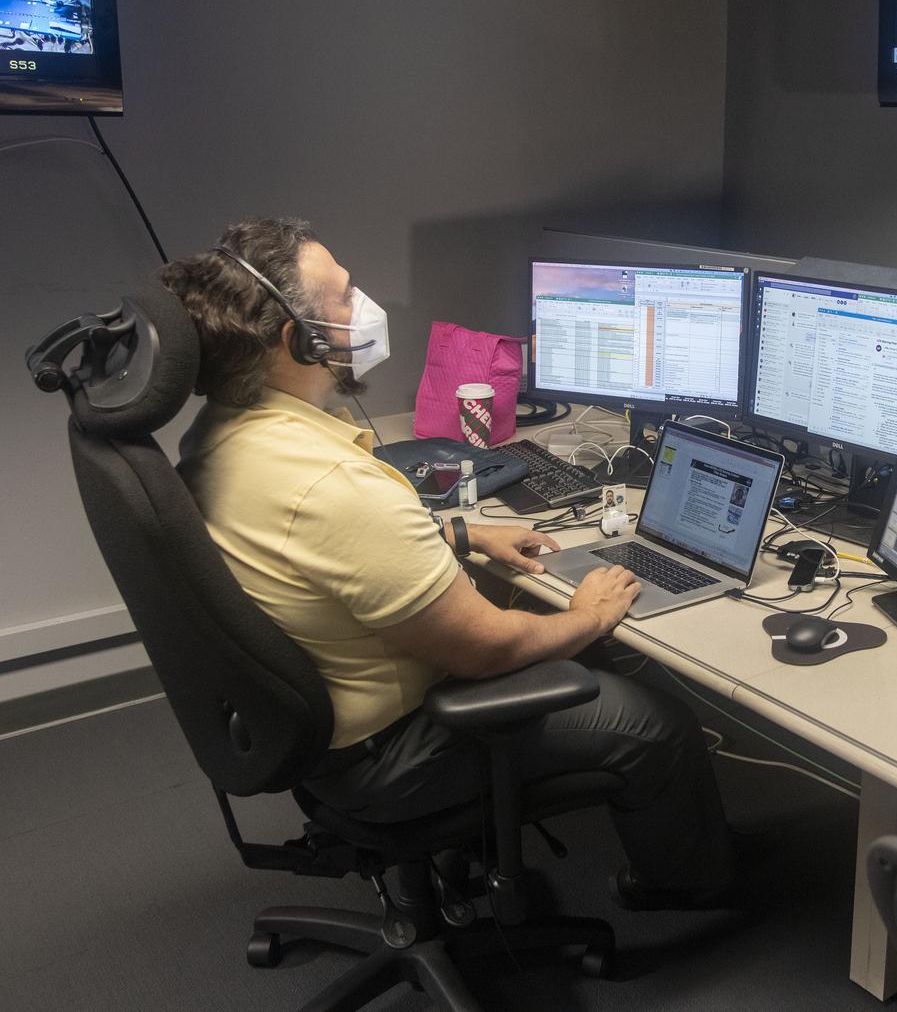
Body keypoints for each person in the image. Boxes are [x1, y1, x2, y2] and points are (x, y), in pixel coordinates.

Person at [163, 217, 734, 910]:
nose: (363, 308)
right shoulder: (332, 484)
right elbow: (485, 649)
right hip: (396, 750)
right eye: (345, 297)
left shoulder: (222, 434)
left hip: (313, 732)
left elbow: (321, 552)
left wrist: (461, 535)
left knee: (588, 646)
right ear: (299, 340)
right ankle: (688, 890)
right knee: (656, 720)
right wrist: (586, 616)